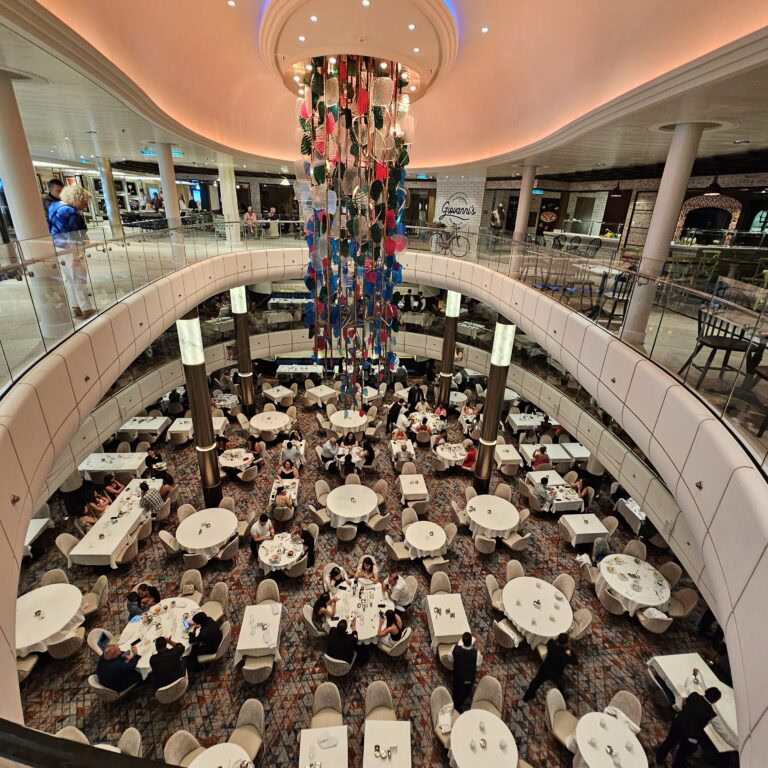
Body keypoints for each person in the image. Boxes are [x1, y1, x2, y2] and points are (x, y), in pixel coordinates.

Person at [47, 184, 96, 319]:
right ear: (78, 198)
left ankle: (76, 307)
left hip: (59, 248)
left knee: (69, 279)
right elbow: (72, 237)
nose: (84, 206)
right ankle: (86, 308)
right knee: (79, 279)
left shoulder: (54, 206)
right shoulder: (70, 212)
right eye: (84, 203)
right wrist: (76, 256)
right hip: (72, 249)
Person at [655, 673, 723, 766]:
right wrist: (737, 745)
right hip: (689, 736)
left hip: (678, 723)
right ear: (715, 701)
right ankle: (676, 764)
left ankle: (659, 757)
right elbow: (723, 732)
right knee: (683, 753)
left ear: (706, 691)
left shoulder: (694, 695)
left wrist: (693, 675)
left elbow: (689, 683)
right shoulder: (712, 714)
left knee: (669, 742)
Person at [522, 634, 578, 701]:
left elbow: (553, 642)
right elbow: (575, 661)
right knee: (561, 685)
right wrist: (569, 649)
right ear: (565, 644)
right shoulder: (565, 656)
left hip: (545, 669)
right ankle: (563, 697)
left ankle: (527, 696)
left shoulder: (551, 644)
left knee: (536, 682)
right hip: (556, 674)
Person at [452, 632, 480, 711]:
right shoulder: (476, 653)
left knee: (456, 687)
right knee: (465, 692)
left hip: (457, 674)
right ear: (471, 641)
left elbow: (450, 658)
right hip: (468, 678)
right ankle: (457, 706)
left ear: (462, 641)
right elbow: (478, 663)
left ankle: (454, 698)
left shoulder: (455, 648)